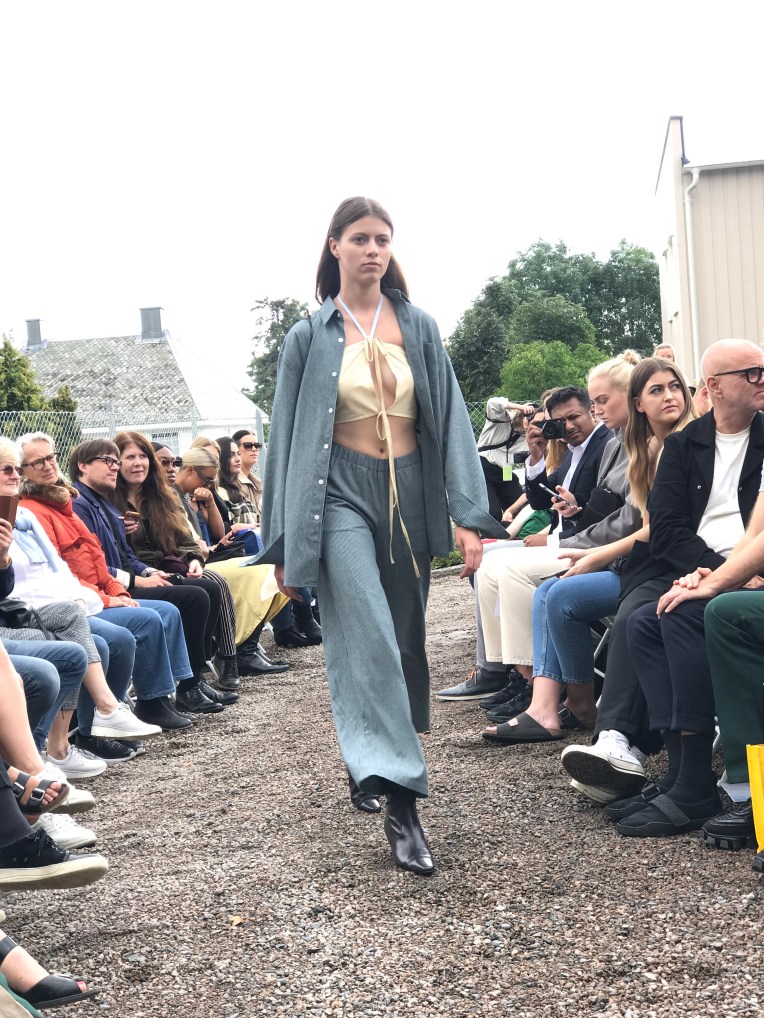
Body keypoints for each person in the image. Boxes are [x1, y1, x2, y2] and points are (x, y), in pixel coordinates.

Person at [256, 196, 507, 875]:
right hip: (336, 492)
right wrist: (281, 544)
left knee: (401, 640)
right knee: (364, 629)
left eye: (383, 239)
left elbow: (451, 418)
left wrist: (467, 514)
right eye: (361, 238)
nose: (373, 250)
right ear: (334, 245)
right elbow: (285, 439)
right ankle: (401, 798)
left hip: (408, 493)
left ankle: (368, 751)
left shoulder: (417, 325)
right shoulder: (308, 336)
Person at [562, 339, 764, 813]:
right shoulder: (682, 445)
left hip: (739, 569)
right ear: (715, 386)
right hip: (696, 564)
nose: (762, 380)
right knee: (644, 618)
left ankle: (710, 782)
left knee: (669, 614)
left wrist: (730, 575)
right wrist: (714, 572)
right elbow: (667, 527)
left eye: (675, 386)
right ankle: (679, 770)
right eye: (752, 373)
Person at [483, 356, 693, 744]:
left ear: (631, 399)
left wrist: (580, 547)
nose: (595, 411)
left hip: (653, 564)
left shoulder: (656, 445)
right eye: (593, 402)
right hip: (628, 556)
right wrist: (569, 507)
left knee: (554, 591)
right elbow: (597, 510)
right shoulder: (636, 446)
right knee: (533, 584)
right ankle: (537, 693)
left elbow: (640, 523)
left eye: (600, 401)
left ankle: (579, 705)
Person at [437, 381, 613, 706]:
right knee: (488, 563)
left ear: (592, 410)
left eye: (574, 417)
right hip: (565, 540)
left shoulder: (606, 445)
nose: (568, 427)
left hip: (582, 546)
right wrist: (535, 456)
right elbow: (541, 500)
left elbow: (605, 516)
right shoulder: (573, 452)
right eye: (561, 421)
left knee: (508, 571)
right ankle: (507, 670)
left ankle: (535, 680)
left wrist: (554, 534)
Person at [17, 432, 197, 736]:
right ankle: (120, 714)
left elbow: (97, 563)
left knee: (172, 606)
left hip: (89, 596)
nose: (48, 465)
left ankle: (176, 690)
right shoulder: (39, 510)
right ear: (83, 466)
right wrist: (113, 595)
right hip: (67, 605)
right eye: (37, 462)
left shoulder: (65, 505)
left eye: (51, 457)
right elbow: (61, 575)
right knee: (145, 621)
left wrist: (118, 591)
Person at [68, 438, 224, 712]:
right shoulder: (93, 503)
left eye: (142, 457)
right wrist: (139, 577)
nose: (133, 464)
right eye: (123, 458)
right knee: (193, 598)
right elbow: (94, 565)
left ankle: (196, 679)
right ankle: (176, 690)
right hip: (114, 586)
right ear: (83, 466)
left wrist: (188, 559)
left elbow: (178, 540)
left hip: (140, 573)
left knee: (209, 587)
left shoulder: (155, 497)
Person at [172, 446, 289, 675]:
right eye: (207, 479)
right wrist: (208, 548)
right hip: (195, 564)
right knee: (260, 571)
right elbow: (188, 545)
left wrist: (210, 502)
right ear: (190, 470)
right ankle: (241, 648)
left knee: (275, 569)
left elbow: (218, 532)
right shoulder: (172, 497)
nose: (208, 485)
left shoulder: (191, 496)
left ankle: (247, 646)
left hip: (206, 557)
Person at [477, 397, 534, 521]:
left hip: (505, 471)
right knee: (493, 513)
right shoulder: (503, 419)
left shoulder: (529, 435)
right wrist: (521, 407)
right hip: (484, 467)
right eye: (529, 416)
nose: (531, 420)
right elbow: (493, 403)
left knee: (522, 508)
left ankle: (513, 530)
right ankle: (491, 532)